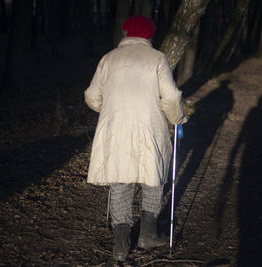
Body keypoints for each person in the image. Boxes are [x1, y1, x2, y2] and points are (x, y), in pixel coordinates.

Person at [84, 15, 187, 262]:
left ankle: (121, 245)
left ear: (125, 33)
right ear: (149, 35)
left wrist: (109, 110)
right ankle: (147, 236)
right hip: (149, 127)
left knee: (121, 179)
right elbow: (171, 98)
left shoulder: (108, 59)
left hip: (116, 127)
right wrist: (177, 118)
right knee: (153, 178)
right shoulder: (157, 59)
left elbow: (91, 95)